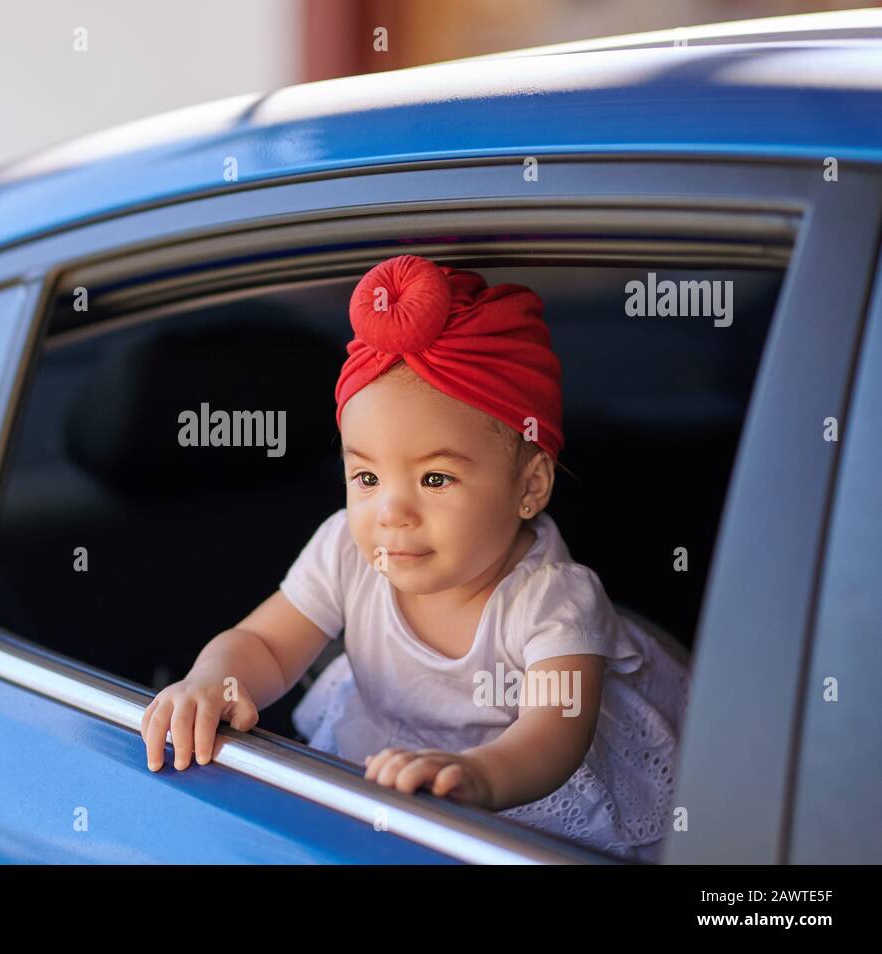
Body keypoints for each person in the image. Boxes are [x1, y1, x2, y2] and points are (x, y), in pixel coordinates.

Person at [140, 254, 689, 861]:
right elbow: (266, 644)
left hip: (521, 797)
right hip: (396, 771)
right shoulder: (349, 549)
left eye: (435, 480)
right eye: (367, 477)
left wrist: (477, 776)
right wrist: (214, 678)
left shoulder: (552, 598)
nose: (391, 512)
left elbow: (551, 736)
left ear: (529, 487)